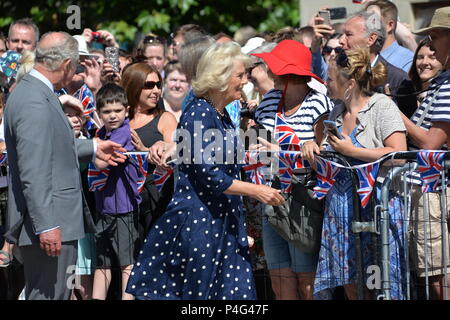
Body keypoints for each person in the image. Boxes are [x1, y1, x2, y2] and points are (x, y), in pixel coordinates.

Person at [126, 41, 285, 300]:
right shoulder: (198, 113)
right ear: (220, 78)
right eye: (240, 75)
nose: (245, 81)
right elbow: (208, 174)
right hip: (200, 226)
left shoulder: (220, 114)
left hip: (221, 222)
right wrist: (257, 191)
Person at [3, 31, 127, 300]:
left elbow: (50, 147)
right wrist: (47, 225)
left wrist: (92, 147)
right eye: (76, 66)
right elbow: (33, 170)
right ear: (66, 65)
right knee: (49, 295)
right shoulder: (35, 100)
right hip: (50, 221)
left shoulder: (34, 93)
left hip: (53, 219)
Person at [302, 48, 407, 300]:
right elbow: (334, 167)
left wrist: (353, 151)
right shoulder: (336, 112)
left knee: (379, 283)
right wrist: (313, 152)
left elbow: (400, 154)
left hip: (377, 210)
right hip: (340, 211)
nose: (325, 83)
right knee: (349, 281)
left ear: (349, 84)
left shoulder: (382, 106)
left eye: (329, 78)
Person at [251, 40, 333, 300]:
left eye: (272, 65)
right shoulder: (269, 101)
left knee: (307, 283)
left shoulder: (319, 104)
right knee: (279, 282)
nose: (268, 69)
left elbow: (327, 157)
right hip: (271, 194)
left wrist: (291, 151)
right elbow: (261, 147)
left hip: (304, 198)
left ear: (286, 72)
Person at [399, 6, 450, 300]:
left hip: (435, 189)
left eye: (435, 36)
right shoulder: (441, 83)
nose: (430, 43)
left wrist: (395, 116)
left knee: (439, 274)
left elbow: (432, 144)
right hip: (429, 188)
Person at [90, 83, 141, 300]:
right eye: (106, 111)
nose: (112, 116)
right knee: (103, 263)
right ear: (99, 113)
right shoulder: (101, 133)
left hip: (123, 207)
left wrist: (88, 150)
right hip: (104, 206)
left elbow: (101, 163)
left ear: (127, 110)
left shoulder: (123, 132)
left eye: (117, 110)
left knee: (126, 262)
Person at [121, 62, 178, 246]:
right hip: (122, 199)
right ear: (133, 85)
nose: (156, 90)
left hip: (155, 201)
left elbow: (174, 157)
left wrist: (146, 151)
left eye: (158, 85)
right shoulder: (118, 120)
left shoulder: (165, 118)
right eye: (149, 85)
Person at [339, 10, 416, 119]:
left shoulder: (397, 79)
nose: (341, 41)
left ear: (371, 39)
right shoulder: (341, 73)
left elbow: (409, 128)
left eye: (348, 34)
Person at [365, 0, 414, 73]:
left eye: (373, 20)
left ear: (390, 25)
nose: (366, 25)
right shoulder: (363, 56)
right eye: (365, 20)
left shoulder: (407, 60)